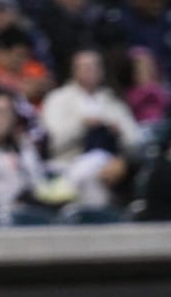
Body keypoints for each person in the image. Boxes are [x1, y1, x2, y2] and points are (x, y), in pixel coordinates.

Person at [39, 49, 139, 207]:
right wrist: (81, 126)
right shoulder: (58, 99)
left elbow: (135, 139)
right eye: (84, 66)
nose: (89, 70)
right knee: (88, 173)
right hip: (67, 163)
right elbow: (53, 141)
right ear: (73, 70)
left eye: (94, 66)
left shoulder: (112, 100)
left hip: (110, 163)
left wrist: (118, 133)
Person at [0, 91, 51, 212]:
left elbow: (37, 179)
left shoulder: (22, 145)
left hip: (28, 211)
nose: (1, 118)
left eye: (7, 112)